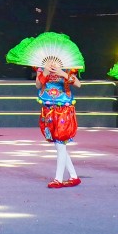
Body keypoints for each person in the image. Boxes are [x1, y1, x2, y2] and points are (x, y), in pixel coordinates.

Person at [37, 57, 81, 187]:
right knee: (59, 145)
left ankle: (58, 179)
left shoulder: (67, 68)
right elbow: (38, 85)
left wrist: (62, 73)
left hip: (64, 110)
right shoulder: (42, 67)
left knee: (60, 143)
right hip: (48, 109)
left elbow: (78, 84)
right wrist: (45, 71)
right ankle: (74, 176)